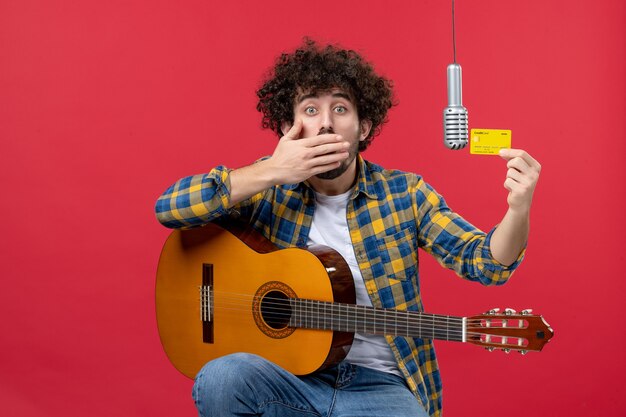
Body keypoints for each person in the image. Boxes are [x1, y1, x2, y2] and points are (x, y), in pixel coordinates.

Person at [155, 39, 541, 417]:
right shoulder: (264, 188)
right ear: (290, 128)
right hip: (287, 379)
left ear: (364, 127)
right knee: (222, 378)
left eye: (340, 109)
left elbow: (486, 264)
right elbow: (170, 208)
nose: (325, 124)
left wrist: (518, 208)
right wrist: (271, 171)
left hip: (381, 387)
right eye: (310, 110)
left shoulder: (405, 194)